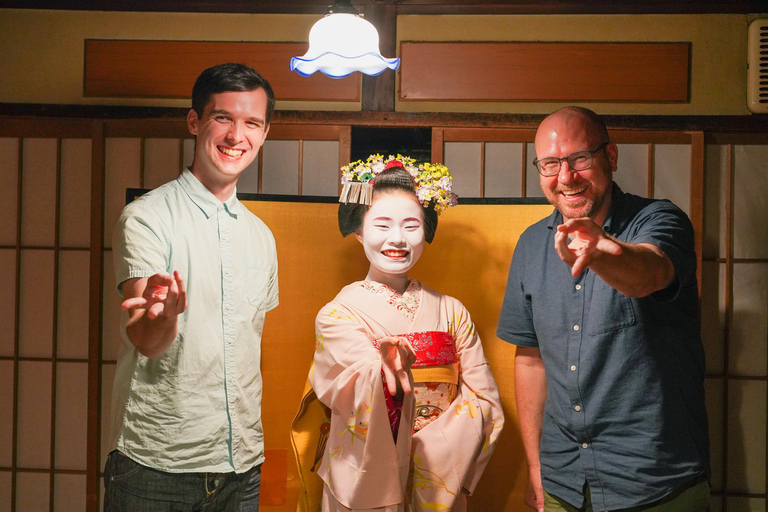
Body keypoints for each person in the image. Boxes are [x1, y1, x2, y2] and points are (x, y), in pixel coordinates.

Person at [497, 106, 710, 512]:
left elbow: (648, 272)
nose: (566, 177)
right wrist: (536, 467)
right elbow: (530, 361)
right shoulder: (529, 246)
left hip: (655, 477)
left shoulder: (658, 220)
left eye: (579, 158)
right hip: (564, 479)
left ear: (610, 157)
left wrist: (604, 252)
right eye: (550, 164)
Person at [104, 63, 278, 511]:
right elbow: (145, 337)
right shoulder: (147, 217)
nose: (236, 135)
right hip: (156, 464)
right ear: (195, 122)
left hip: (242, 466)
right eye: (223, 118)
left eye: (251, 123)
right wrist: (163, 318)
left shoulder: (261, 236)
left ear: (264, 133)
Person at [292, 155, 504, 512]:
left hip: (441, 479)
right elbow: (349, 386)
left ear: (427, 231)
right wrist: (383, 376)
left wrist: (430, 449)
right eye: (382, 225)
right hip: (363, 477)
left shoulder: (453, 311)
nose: (397, 239)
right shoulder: (337, 313)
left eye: (411, 225)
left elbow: (485, 402)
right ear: (358, 230)